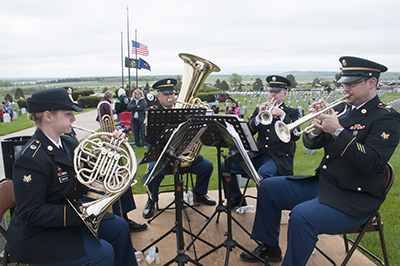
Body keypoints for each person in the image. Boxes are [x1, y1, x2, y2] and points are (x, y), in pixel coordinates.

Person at [239, 56, 400, 265]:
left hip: (353, 197)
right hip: (325, 184)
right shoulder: (344, 112)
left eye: (352, 84)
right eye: (344, 84)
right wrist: (316, 129)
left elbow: (373, 162)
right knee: (268, 187)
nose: (346, 89)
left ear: (372, 83)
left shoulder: (385, 118)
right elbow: (312, 144)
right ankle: (270, 248)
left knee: (301, 216)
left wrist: (338, 131)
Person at [6, 87, 138, 266]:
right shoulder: (30, 159)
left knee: (120, 227)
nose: (74, 118)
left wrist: (113, 145)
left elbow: (88, 175)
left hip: (70, 216)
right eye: (68, 114)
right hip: (40, 234)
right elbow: (31, 213)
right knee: (103, 253)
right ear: (48, 116)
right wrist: (82, 215)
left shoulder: (68, 142)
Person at [142, 78, 216, 219]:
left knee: (207, 166)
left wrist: (206, 119)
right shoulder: (151, 112)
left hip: (182, 154)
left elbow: (198, 132)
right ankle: (151, 200)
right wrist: (171, 131)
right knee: (153, 174)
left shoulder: (183, 111)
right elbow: (148, 138)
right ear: (158, 96)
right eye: (166, 94)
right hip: (161, 156)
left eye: (171, 94)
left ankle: (199, 193)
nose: (170, 97)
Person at [221, 75, 300, 207]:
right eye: (270, 91)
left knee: (262, 174)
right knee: (225, 165)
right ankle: (236, 198)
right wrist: (258, 117)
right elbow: (248, 132)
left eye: (277, 92)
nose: (273, 95)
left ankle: (265, 207)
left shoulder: (291, 112)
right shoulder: (260, 109)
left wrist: (282, 116)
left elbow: (296, 137)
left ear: (285, 94)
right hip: (258, 154)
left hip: (277, 158)